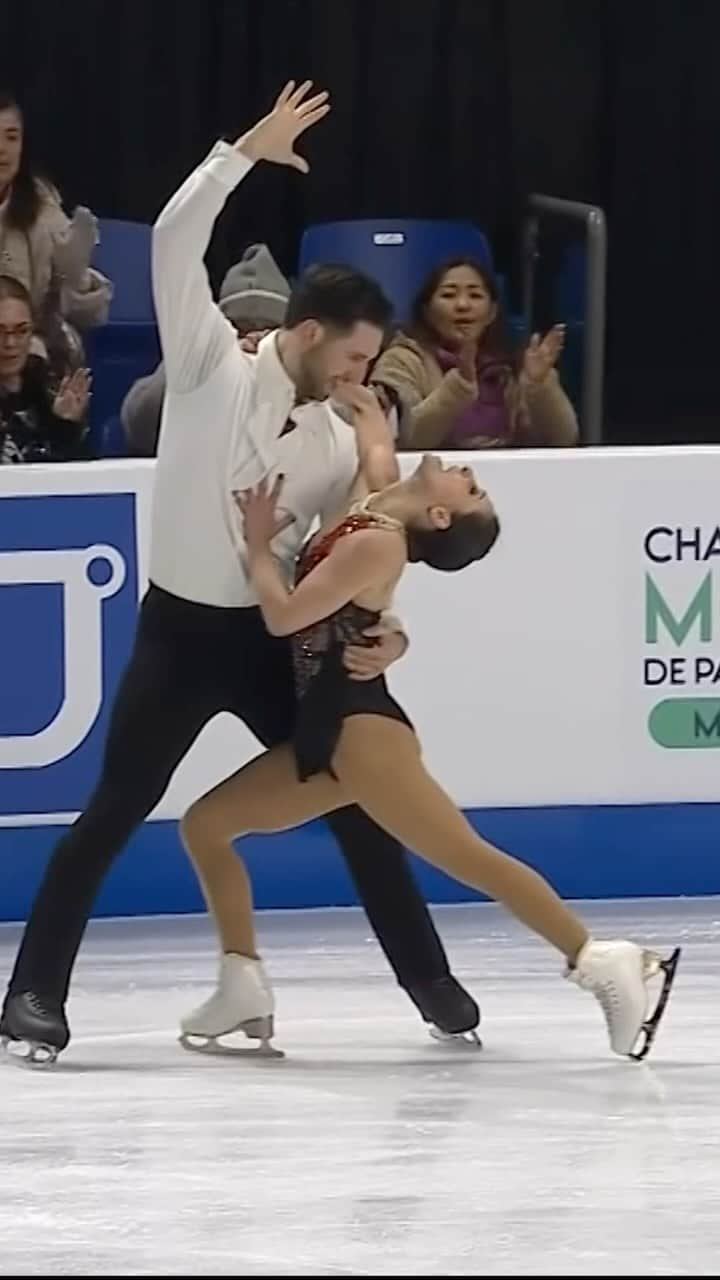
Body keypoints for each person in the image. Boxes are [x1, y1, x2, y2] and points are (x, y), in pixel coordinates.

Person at [0, 80, 480, 1066]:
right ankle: (32, 996)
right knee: (112, 811)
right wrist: (242, 153)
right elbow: (178, 237)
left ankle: (432, 984)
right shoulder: (210, 363)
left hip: (275, 638)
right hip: (179, 635)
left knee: (352, 795)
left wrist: (393, 629)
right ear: (305, 335)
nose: (362, 377)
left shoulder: (344, 437)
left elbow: (369, 544)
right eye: (352, 357)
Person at [178, 386, 679, 1063]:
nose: (470, 472)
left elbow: (284, 617)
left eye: (473, 490)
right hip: (332, 731)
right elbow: (379, 450)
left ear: (439, 514)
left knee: (471, 858)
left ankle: (604, 961)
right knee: (205, 826)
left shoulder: (378, 545)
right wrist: (359, 397)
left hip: (363, 732)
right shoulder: (380, 500)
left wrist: (260, 545)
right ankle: (242, 983)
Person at [372, 257, 578, 450]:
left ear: (491, 313)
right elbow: (408, 439)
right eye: (448, 295)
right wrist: (458, 388)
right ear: (426, 311)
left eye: (476, 295)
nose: (463, 305)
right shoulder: (401, 361)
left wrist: (540, 387)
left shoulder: (509, 365)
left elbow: (563, 438)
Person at [120, 242, 291, 456]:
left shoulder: (302, 367)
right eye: (241, 328)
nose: (252, 338)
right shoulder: (204, 353)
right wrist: (215, 359)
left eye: (266, 330)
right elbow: (139, 424)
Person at [0, 92, 111, 378]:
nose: (3, 149)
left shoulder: (45, 214)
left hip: (28, 359)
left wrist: (78, 279)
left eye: (12, 137)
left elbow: (90, 319)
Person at [0, 274, 90, 464]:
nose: (10, 342)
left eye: (22, 330)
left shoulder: (45, 393)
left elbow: (81, 481)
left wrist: (65, 426)